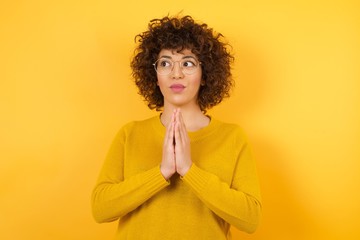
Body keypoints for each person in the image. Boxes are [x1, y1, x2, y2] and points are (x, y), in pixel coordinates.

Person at [91, 15, 261, 239]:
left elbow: (250, 220)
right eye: (165, 63)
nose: (176, 73)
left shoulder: (232, 137)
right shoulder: (129, 134)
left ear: (204, 74)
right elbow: (101, 209)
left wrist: (189, 170)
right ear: (155, 76)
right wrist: (161, 172)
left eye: (188, 63)